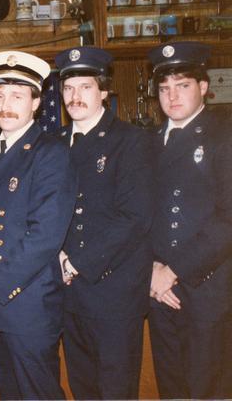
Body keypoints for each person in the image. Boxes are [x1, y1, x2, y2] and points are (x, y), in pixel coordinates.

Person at [0, 50, 75, 399]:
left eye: (16, 96)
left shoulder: (51, 152)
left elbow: (44, 236)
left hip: (28, 305)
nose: (5, 105)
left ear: (37, 102)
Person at [53, 46, 154, 399]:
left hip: (114, 295)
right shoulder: (54, 144)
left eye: (85, 87)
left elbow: (135, 218)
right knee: (82, 388)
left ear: (104, 92)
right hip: (69, 293)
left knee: (115, 390)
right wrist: (58, 258)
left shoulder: (131, 141)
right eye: (68, 88)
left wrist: (76, 261)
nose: (74, 96)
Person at [147, 41, 232, 399]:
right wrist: (151, 268)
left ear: (203, 87)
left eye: (182, 86)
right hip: (157, 287)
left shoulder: (222, 136)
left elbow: (228, 218)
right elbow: (140, 215)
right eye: (165, 89)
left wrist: (174, 269)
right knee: (172, 388)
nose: (173, 97)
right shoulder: (148, 143)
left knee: (207, 388)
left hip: (205, 288)